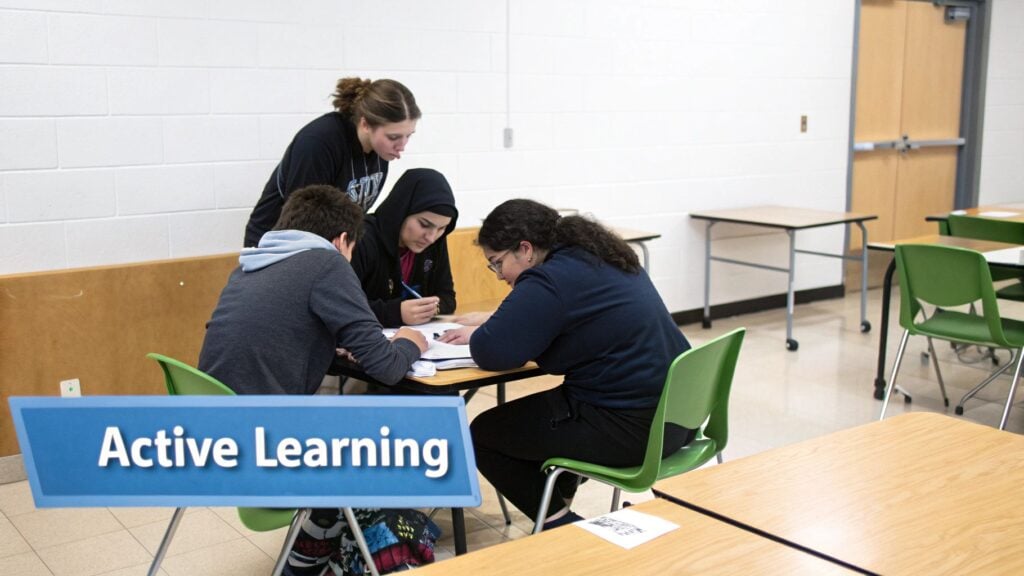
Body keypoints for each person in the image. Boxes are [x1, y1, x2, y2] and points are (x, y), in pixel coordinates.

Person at [198, 185, 437, 575]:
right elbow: (389, 368)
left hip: (217, 441)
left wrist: (331, 345)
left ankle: (310, 551)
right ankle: (363, 556)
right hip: (272, 448)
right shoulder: (327, 264)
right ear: (343, 240)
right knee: (396, 445)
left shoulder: (249, 266)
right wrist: (412, 341)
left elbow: (277, 337)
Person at [438, 199, 694, 529]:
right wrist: (499, 319)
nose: (500, 275)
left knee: (485, 435)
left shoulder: (549, 280)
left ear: (525, 249)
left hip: (634, 429)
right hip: (677, 415)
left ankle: (562, 527)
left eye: (497, 263)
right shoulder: (596, 254)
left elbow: (492, 351)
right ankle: (559, 506)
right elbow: (563, 315)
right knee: (543, 417)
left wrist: (486, 329)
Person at [244, 77, 421, 247]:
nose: (402, 146)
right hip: (278, 246)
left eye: (408, 136)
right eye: (394, 137)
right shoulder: (318, 143)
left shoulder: (381, 149)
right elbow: (303, 224)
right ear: (365, 124)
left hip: (329, 246)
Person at [351, 168, 458, 327]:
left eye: (441, 228)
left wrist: (430, 309)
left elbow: (447, 298)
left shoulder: (436, 241)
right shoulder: (362, 239)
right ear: (401, 211)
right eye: (424, 224)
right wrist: (395, 313)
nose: (431, 237)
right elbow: (342, 306)